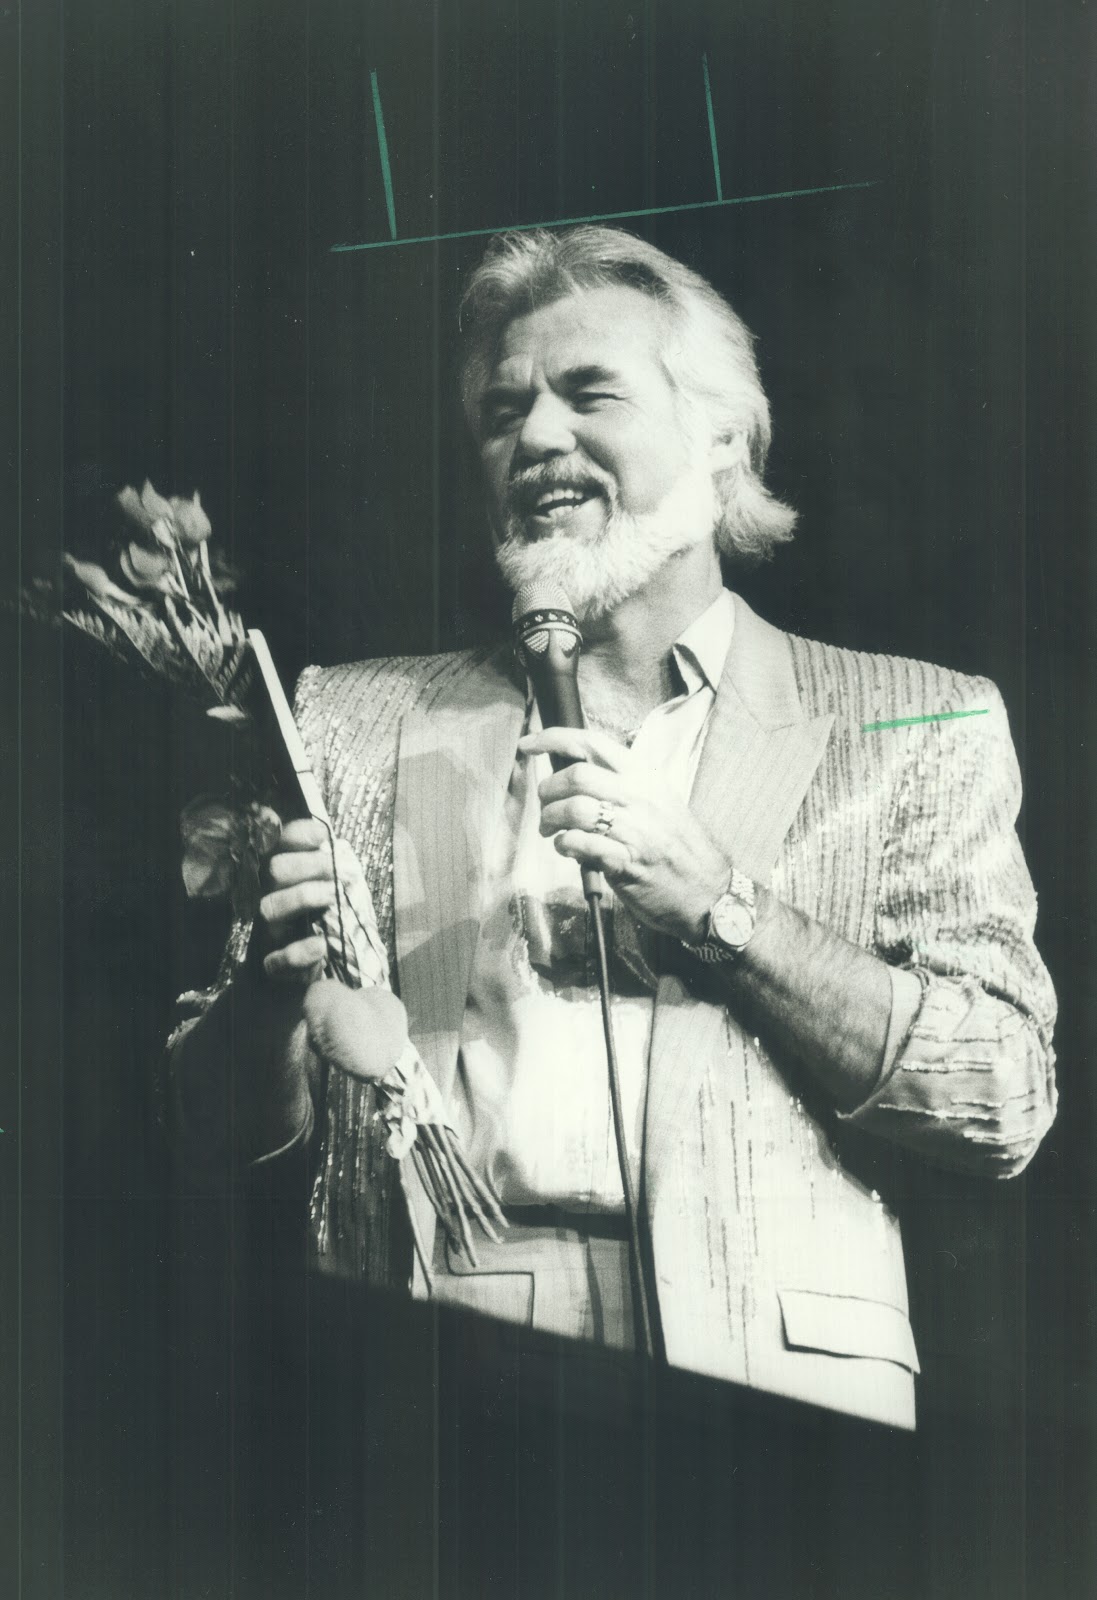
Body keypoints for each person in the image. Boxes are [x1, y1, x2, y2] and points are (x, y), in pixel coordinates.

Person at [165, 225, 1057, 1430]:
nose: (534, 438)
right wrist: (269, 1007)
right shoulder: (345, 721)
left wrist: (722, 909)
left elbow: (998, 1101)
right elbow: (214, 1136)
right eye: (500, 412)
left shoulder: (914, 721)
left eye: (589, 394)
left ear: (722, 435)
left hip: (778, 1368)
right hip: (442, 1347)